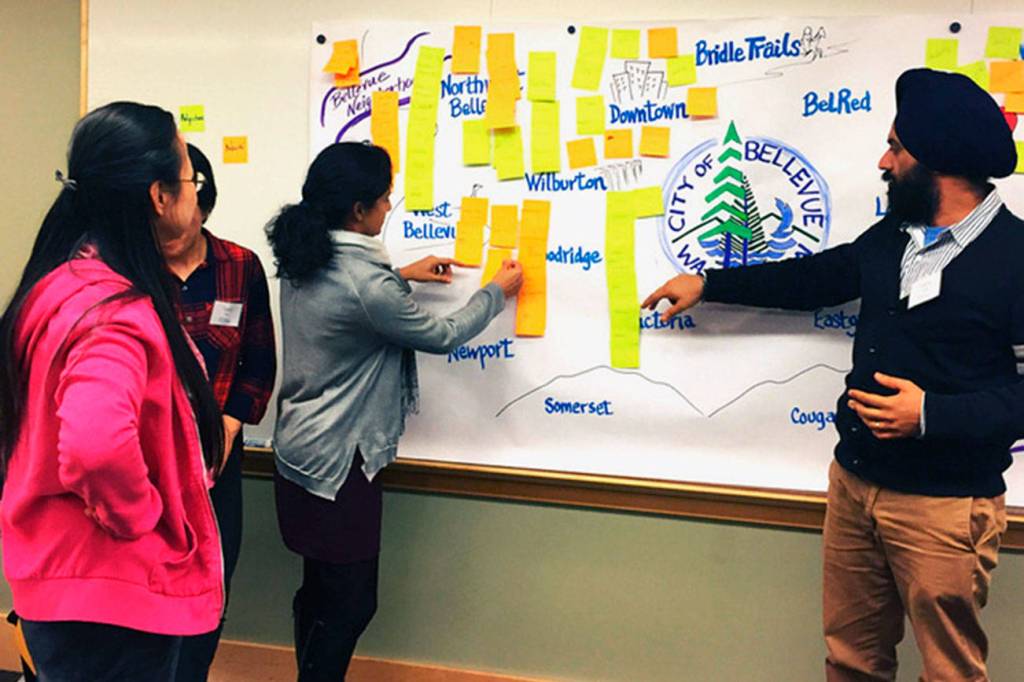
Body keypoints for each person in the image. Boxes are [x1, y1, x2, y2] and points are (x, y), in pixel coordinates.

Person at [644, 68, 1020, 681]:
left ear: (938, 160)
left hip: (945, 505)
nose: (883, 161)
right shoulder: (896, 236)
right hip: (854, 484)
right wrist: (710, 283)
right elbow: (818, 277)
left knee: (950, 672)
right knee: (850, 661)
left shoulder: (1015, 258)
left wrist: (930, 414)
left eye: (896, 148)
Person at [266, 142, 523, 681]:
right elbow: (443, 334)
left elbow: (347, 306)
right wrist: (495, 293)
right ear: (357, 210)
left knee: (322, 590)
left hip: (302, 453)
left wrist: (402, 275)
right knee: (352, 602)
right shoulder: (367, 283)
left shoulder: (307, 254)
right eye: (383, 199)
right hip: (340, 463)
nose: (389, 207)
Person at [0, 101, 224, 680]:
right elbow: (95, 443)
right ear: (159, 197)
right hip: (113, 594)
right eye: (190, 180)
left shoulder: (59, 282)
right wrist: (136, 514)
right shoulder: (113, 311)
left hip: (68, 583)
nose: (194, 195)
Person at [169, 144, 277, 681]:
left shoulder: (239, 266)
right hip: (153, 463)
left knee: (212, 588)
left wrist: (232, 424)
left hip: (217, 461)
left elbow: (259, 360)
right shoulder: (128, 270)